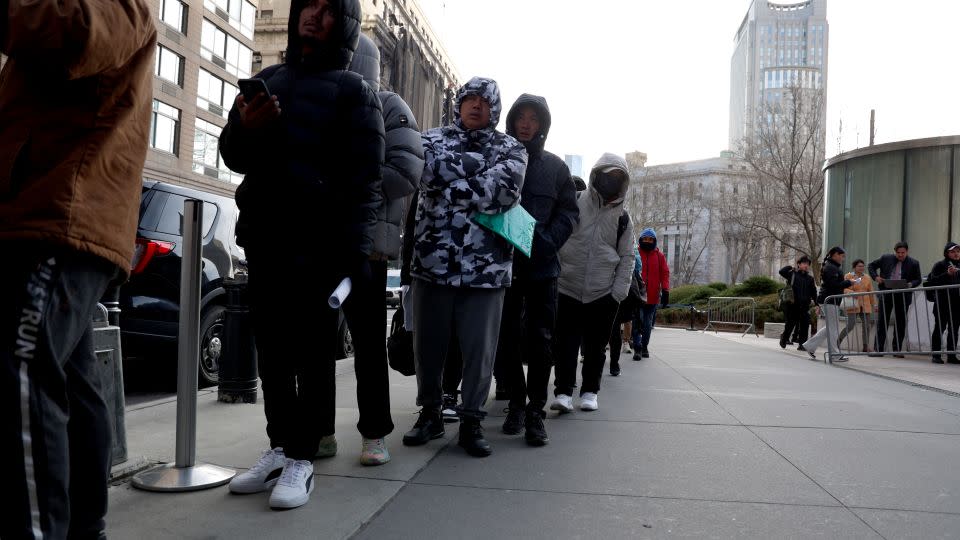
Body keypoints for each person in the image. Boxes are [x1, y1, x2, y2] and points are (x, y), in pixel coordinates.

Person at [219, 0, 385, 510]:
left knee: (313, 355)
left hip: (321, 247)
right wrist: (249, 126)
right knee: (270, 353)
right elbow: (232, 155)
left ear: (344, 22)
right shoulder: (268, 78)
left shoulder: (356, 92)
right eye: (306, 5)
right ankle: (279, 446)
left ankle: (302, 458)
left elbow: (366, 183)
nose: (313, 16)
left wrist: (355, 256)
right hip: (266, 238)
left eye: (327, 9)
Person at [0, 1, 156, 537]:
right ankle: (86, 527)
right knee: (71, 376)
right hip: (49, 208)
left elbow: (78, 34)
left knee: (22, 371)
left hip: (64, 211)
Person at [401, 77, 527, 458]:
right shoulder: (429, 139)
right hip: (432, 263)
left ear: (495, 109)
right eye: (469, 98)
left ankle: (472, 420)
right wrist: (476, 178)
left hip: (486, 271)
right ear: (459, 104)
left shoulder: (513, 148)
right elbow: (424, 173)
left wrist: (451, 184)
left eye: (483, 101)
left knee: (480, 349)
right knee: (428, 347)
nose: (475, 106)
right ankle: (431, 413)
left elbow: (505, 189)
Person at [340, 34, 423, 465]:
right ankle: (317, 431)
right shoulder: (318, 92)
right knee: (313, 342)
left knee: (368, 343)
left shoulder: (390, 106)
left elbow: (406, 170)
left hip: (369, 246)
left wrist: (347, 188)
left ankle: (374, 432)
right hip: (318, 242)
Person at [495, 94, 579, 445]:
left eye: (534, 118)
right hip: (504, 265)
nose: (526, 123)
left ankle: (535, 411)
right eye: (521, 117)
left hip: (543, 268)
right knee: (506, 338)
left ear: (543, 124)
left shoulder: (556, 168)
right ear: (512, 121)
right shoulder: (498, 160)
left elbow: (570, 213)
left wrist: (546, 240)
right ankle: (516, 402)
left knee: (542, 339)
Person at [550, 154, 634, 413]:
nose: (612, 181)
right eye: (608, 175)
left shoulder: (623, 219)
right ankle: (563, 392)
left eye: (618, 178)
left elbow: (627, 256)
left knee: (596, 348)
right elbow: (556, 237)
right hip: (567, 286)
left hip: (603, 293)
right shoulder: (574, 202)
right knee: (565, 344)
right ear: (597, 174)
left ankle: (590, 392)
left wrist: (617, 294)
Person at [869, 242, 923, 357]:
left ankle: (897, 350)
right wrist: (875, 277)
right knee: (882, 321)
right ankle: (878, 349)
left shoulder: (914, 263)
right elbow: (871, 266)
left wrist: (910, 284)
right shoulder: (885, 258)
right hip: (886, 292)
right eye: (898, 253)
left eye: (903, 253)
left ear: (907, 252)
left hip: (903, 295)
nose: (900, 255)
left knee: (900, 322)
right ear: (895, 252)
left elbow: (918, 279)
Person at [802, 247, 855, 360]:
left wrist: (847, 282)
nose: (843, 259)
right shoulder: (831, 268)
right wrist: (848, 282)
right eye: (842, 256)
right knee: (833, 328)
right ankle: (834, 354)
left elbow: (833, 284)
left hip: (830, 300)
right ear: (835, 255)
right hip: (830, 300)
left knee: (830, 327)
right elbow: (833, 285)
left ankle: (810, 346)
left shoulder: (831, 266)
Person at [635, 229, 670, 359]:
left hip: (653, 296)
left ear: (654, 241)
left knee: (647, 323)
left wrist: (666, 290)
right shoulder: (636, 253)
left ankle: (644, 347)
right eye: (645, 239)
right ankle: (637, 348)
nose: (647, 241)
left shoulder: (660, 256)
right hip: (638, 295)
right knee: (637, 322)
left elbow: (665, 273)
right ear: (641, 240)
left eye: (650, 239)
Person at [608, 248, 643, 375]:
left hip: (619, 290)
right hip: (607, 287)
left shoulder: (626, 238)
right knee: (611, 328)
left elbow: (635, 263)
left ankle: (614, 362)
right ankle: (612, 362)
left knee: (614, 328)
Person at [928, 243, 960, 364]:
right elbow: (932, 281)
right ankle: (936, 355)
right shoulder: (940, 265)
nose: (956, 254)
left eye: (958, 251)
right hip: (942, 303)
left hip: (957, 304)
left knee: (954, 329)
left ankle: (951, 355)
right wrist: (947, 274)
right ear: (947, 253)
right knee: (939, 328)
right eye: (953, 251)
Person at [836, 259, 875, 353]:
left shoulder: (867, 278)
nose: (861, 268)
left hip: (865, 305)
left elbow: (871, 291)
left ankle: (865, 347)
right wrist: (852, 293)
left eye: (862, 266)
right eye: (859, 266)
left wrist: (874, 304)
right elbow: (843, 289)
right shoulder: (848, 276)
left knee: (866, 326)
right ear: (854, 267)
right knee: (850, 325)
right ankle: (838, 342)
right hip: (853, 304)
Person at [778, 256, 816, 351]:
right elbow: (782, 271)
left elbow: (813, 292)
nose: (806, 265)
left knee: (805, 324)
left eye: (807, 264)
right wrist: (791, 267)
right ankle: (784, 338)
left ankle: (802, 344)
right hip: (792, 305)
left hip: (804, 306)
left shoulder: (810, 278)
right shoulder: (792, 274)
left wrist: (817, 303)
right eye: (804, 263)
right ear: (799, 264)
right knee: (790, 325)